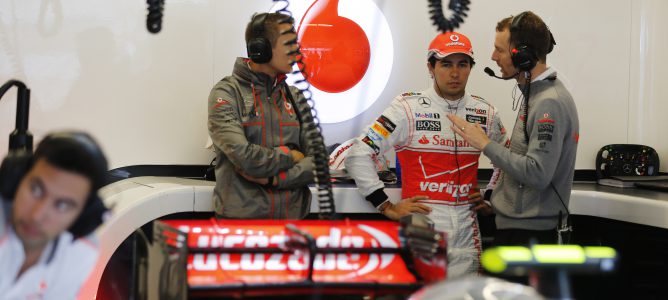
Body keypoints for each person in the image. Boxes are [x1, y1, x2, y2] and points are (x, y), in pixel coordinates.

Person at [344, 32, 507, 278]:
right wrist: (385, 206)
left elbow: (507, 160)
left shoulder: (486, 112)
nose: (455, 73)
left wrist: (491, 198)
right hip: (423, 231)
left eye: (462, 64)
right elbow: (358, 154)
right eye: (446, 64)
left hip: (467, 236)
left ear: (471, 68)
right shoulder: (406, 109)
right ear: (431, 67)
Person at [448, 11, 579, 246]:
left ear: (522, 56)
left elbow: (537, 173)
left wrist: (485, 144)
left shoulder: (549, 102)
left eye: (500, 50)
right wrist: (493, 198)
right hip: (519, 229)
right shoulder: (535, 95)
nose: (493, 56)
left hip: (529, 236)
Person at [208, 12, 315, 219]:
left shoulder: (295, 97)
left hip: (294, 225)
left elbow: (317, 163)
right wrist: (290, 155)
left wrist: (274, 180)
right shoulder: (226, 93)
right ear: (261, 48)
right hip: (240, 226)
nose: (297, 52)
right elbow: (244, 157)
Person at [0, 131, 109, 299]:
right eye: (35, 190)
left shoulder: (80, 250)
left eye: (63, 205)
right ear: (17, 179)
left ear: (83, 216)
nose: (37, 216)